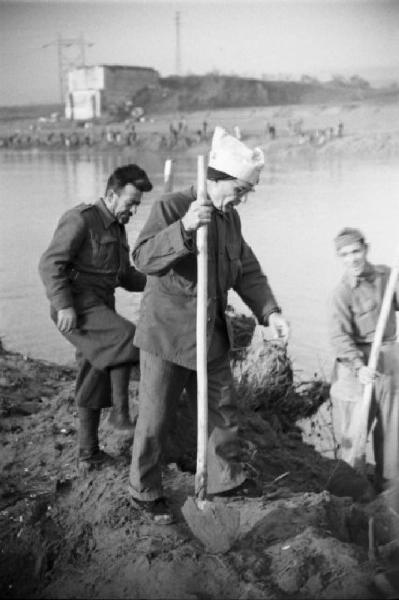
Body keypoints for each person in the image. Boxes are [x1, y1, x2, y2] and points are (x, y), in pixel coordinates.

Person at [128, 126, 290, 524]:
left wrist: (269, 312)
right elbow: (142, 258)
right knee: (155, 416)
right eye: (241, 190)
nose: (243, 199)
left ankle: (225, 480)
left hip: (211, 333)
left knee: (222, 410)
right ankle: (143, 489)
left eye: (247, 192)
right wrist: (184, 228)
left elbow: (246, 270)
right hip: (167, 334)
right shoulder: (173, 206)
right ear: (216, 180)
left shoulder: (229, 219)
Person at [39, 164, 153, 470]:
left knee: (92, 372)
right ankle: (120, 415)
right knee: (129, 337)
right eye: (131, 203)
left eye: (137, 205)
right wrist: (64, 305)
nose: (133, 211)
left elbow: (125, 275)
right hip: (77, 306)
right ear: (112, 196)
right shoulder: (80, 219)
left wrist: (157, 284)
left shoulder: (117, 226)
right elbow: (50, 264)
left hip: (101, 305)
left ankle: (88, 454)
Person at [329, 227, 399, 493]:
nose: (352, 259)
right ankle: (348, 494)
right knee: (353, 436)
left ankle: (389, 489)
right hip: (355, 368)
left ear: (365, 249)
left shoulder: (387, 276)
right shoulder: (341, 293)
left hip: (390, 360)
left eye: (356, 251)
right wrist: (358, 367)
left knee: (393, 431)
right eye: (345, 254)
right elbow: (339, 339)